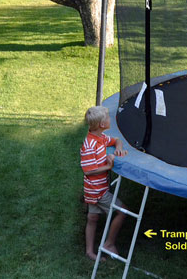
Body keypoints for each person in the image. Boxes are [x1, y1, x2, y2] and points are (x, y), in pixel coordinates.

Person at [80, 105, 128, 261]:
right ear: (102, 124)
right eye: (107, 118)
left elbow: (116, 140)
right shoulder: (89, 145)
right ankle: (109, 243)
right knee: (122, 211)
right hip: (97, 190)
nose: (109, 119)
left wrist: (118, 149)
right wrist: (108, 166)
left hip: (94, 189)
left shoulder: (100, 137)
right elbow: (88, 170)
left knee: (92, 218)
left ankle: (89, 252)